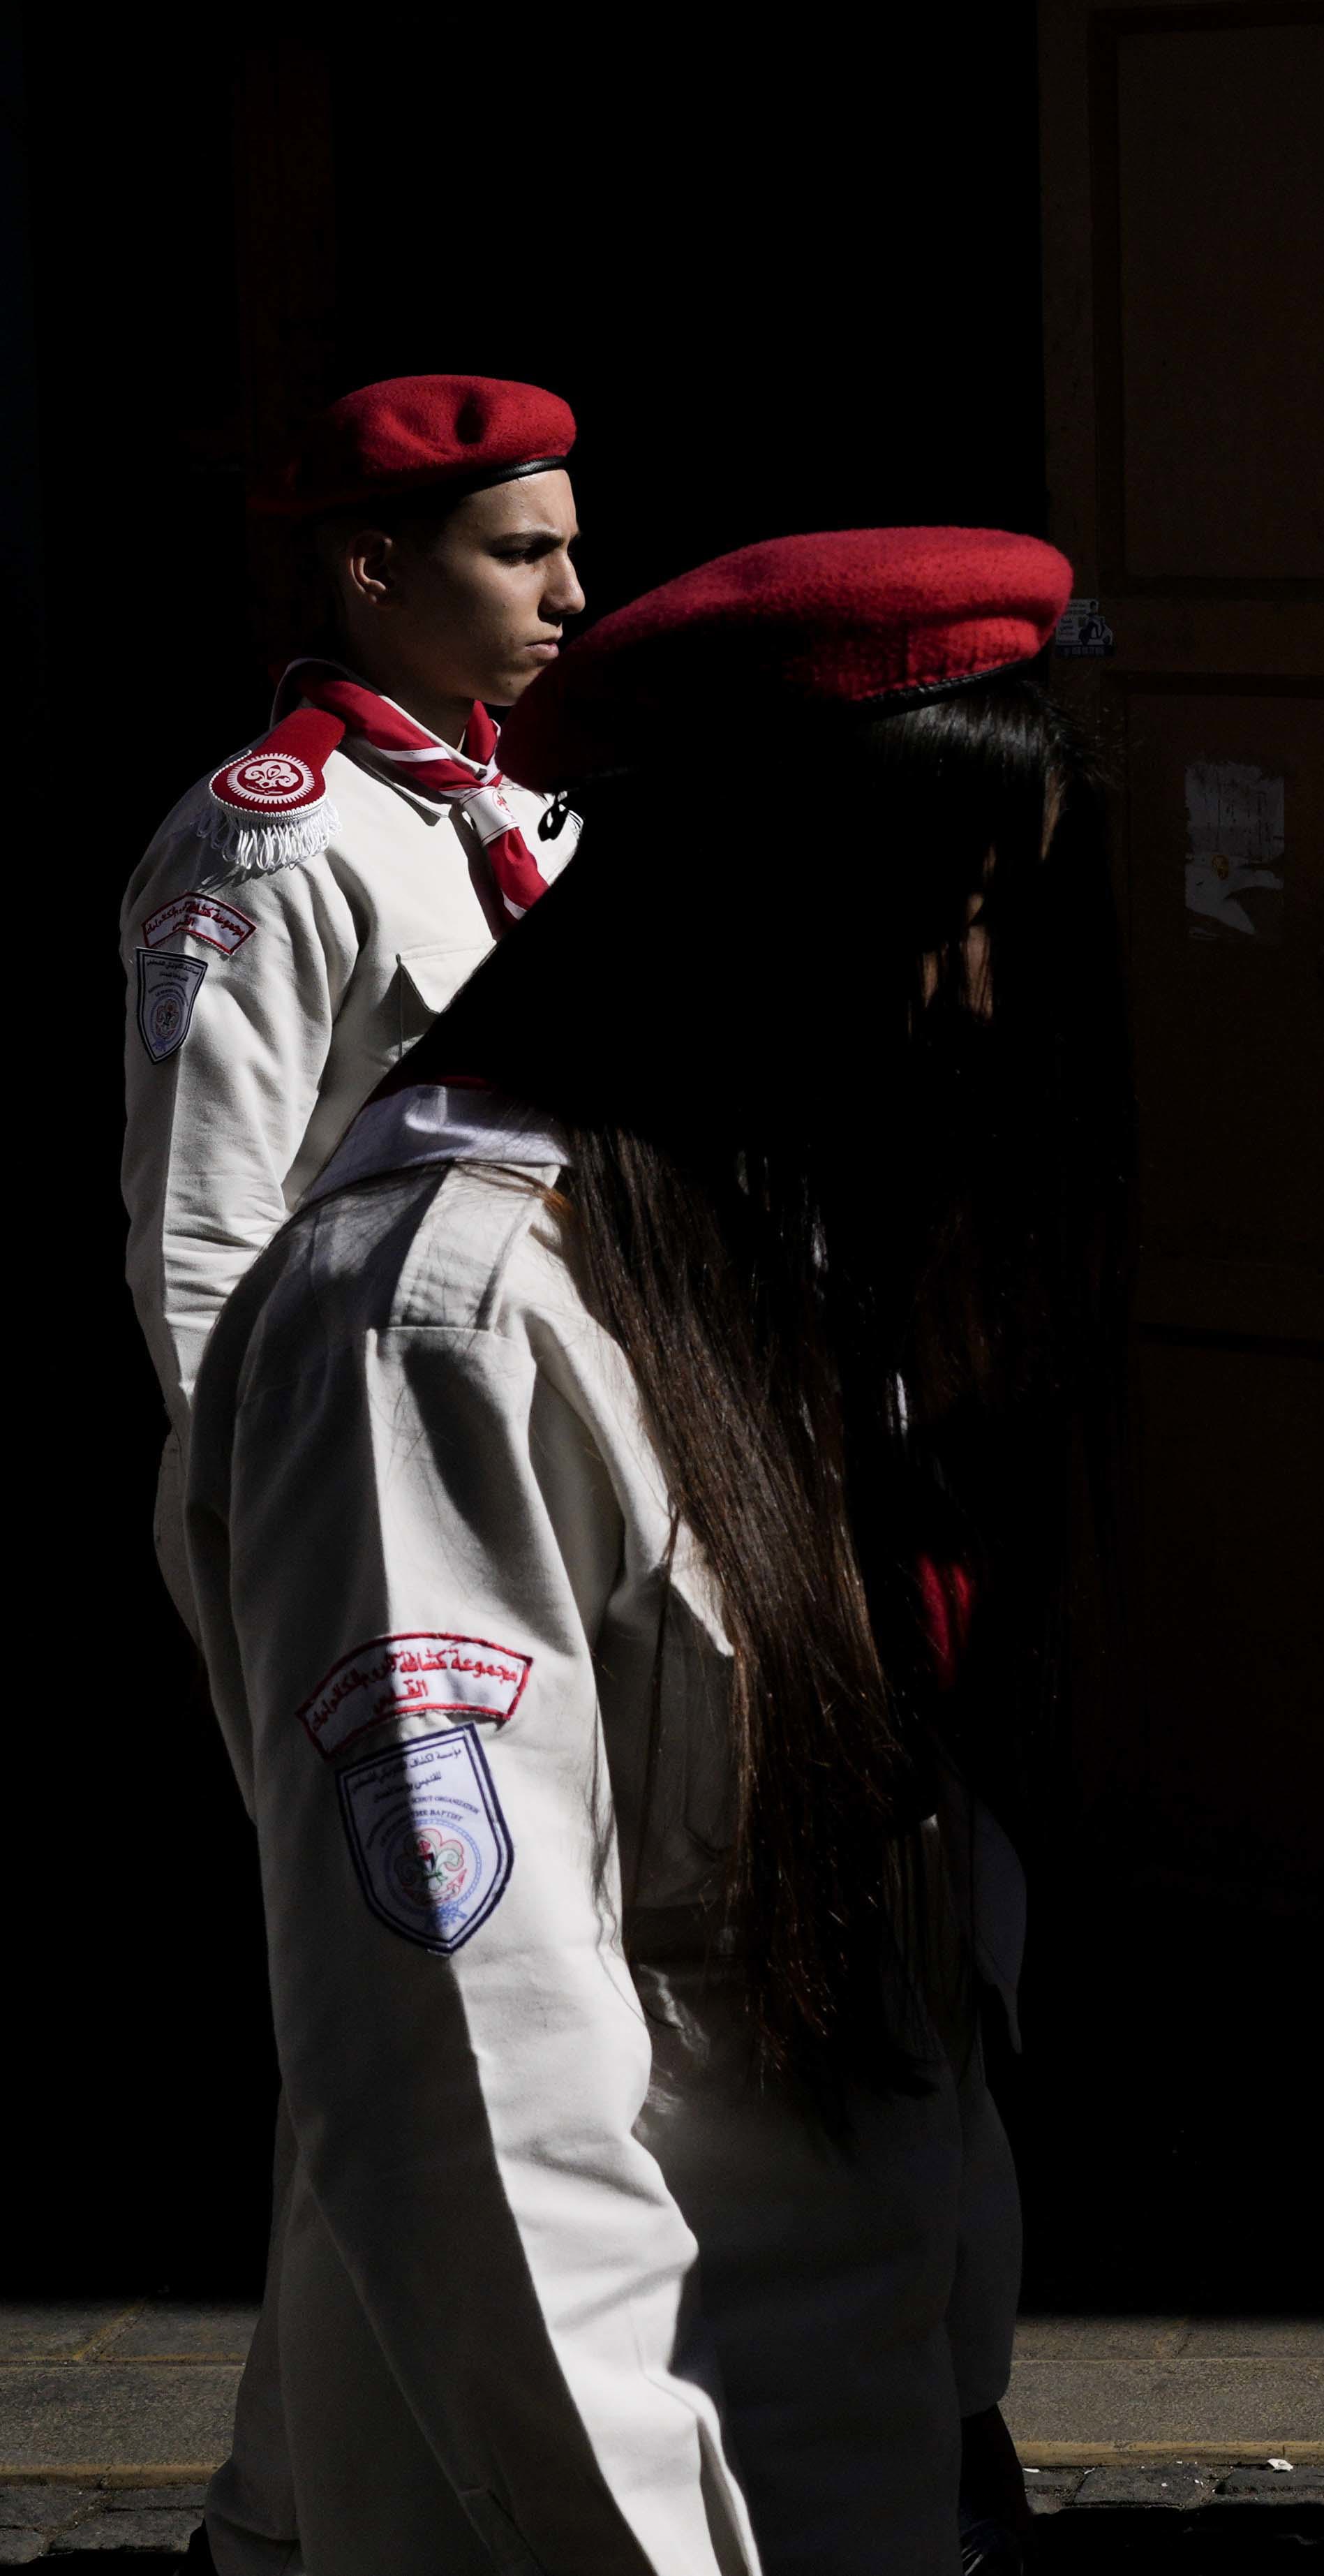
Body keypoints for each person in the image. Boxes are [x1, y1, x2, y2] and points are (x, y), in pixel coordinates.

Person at [175, 526, 1108, 2576]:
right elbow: (471, 2073)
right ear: (769, 892)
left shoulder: (749, 1246)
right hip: (610, 2480)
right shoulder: (433, 1323)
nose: (979, 987)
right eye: (948, 911)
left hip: (842, 2415)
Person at [116, 371, 589, 2576]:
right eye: (521, 550)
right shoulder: (272, 833)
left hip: (488, 1485)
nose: (571, 588)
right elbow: (206, 1225)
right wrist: (265, 1540)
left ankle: (290, 2507)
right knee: (394, 1995)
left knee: (404, 2003)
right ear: (373, 569)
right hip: (337, 1503)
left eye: (570, 542)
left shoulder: (506, 815)